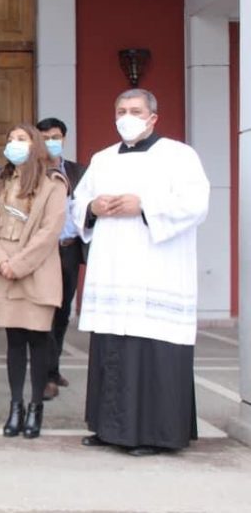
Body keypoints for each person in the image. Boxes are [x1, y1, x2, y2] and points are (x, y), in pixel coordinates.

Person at [74, 88, 209, 456]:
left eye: (135, 110)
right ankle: (109, 428)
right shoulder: (102, 159)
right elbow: (78, 205)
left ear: (153, 117)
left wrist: (144, 206)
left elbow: (196, 204)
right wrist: (93, 207)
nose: (126, 116)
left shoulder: (179, 156)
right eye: (120, 110)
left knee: (152, 351)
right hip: (113, 270)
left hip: (157, 270)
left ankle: (154, 434)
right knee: (112, 349)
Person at [0, 124, 67, 438]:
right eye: (10, 139)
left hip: (36, 271)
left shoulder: (53, 183)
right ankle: (15, 406)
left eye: (21, 139)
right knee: (14, 342)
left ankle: (35, 406)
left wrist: (18, 264)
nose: (14, 144)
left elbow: (49, 232)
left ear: (36, 145)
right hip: (3, 270)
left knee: (38, 341)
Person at [36, 117, 87, 400]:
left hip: (68, 250)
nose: (50, 142)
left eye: (55, 137)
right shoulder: (32, 172)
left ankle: (53, 369)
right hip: (42, 253)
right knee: (43, 312)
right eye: (44, 137)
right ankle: (43, 375)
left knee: (62, 312)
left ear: (64, 138)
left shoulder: (80, 172)